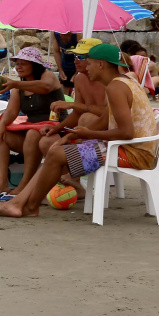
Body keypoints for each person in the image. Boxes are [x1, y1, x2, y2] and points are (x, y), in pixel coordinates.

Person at [0, 43, 157, 218]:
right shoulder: (123, 82)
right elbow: (106, 119)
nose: (85, 67)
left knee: (55, 155)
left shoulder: (115, 87)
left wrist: (87, 134)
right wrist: (72, 135)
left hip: (133, 154)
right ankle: (20, 203)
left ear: (101, 64)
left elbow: (126, 133)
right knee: (55, 152)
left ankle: (27, 206)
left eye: (88, 63)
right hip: (130, 148)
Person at [38, 38, 106, 197]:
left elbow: (107, 114)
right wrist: (57, 128)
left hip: (105, 136)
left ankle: (72, 178)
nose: (76, 61)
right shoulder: (80, 78)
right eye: (74, 56)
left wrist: (73, 107)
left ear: (98, 61)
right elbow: (77, 113)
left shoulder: (110, 81)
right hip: (84, 131)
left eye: (81, 57)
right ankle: (67, 184)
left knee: (86, 119)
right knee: (46, 140)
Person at [0, 47, 68, 194]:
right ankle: (1, 184)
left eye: (23, 63)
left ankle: (25, 185)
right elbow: (11, 111)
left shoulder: (48, 76)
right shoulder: (18, 87)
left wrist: (15, 84)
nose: (19, 67)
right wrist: (1, 125)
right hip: (34, 133)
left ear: (34, 65)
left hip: (57, 130)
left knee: (32, 133)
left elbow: (45, 87)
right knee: (0, 137)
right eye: (17, 64)